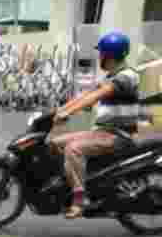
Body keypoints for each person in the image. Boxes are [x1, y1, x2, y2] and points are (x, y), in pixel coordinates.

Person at [49, 31, 140, 219]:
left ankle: (80, 199)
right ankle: (74, 183)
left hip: (118, 135)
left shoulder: (127, 76)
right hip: (102, 132)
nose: (99, 57)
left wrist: (68, 113)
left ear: (109, 55)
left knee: (74, 149)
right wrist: (59, 110)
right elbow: (86, 95)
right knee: (55, 142)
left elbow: (98, 95)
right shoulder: (110, 76)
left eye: (101, 53)